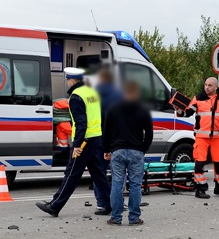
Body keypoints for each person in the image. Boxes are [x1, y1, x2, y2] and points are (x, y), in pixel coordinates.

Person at [36, 68, 111, 217]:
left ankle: (55, 205)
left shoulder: (76, 97)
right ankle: (112, 204)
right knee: (99, 175)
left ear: (71, 81)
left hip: (84, 142)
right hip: (96, 139)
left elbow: (81, 123)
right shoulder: (92, 92)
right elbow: (102, 116)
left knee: (71, 174)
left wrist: (77, 145)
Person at [103, 81, 153, 226]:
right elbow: (149, 133)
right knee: (135, 185)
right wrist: (143, 149)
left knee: (117, 185)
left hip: (117, 152)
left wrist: (106, 150)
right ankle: (134, 217)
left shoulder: (113, 108)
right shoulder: (143, 109)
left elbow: (106, 132)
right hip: (136, 151)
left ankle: (116, 217)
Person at [183, 77, 219, 198]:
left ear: (216, 87)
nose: (206, 87)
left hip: (217, 137)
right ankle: (200, 189)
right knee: (200, 163)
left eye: (210, 85)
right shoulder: (198, 98)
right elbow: (187, 112)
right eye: (206, 85)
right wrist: (179, 109)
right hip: (201, 137)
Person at [90, 68, 122, 214]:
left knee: (99, 172)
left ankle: (102, 202)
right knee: (118, 172)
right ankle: (117, 201)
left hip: (98, 138)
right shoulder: (119, 94)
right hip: (116, 139)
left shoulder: (93, 94)